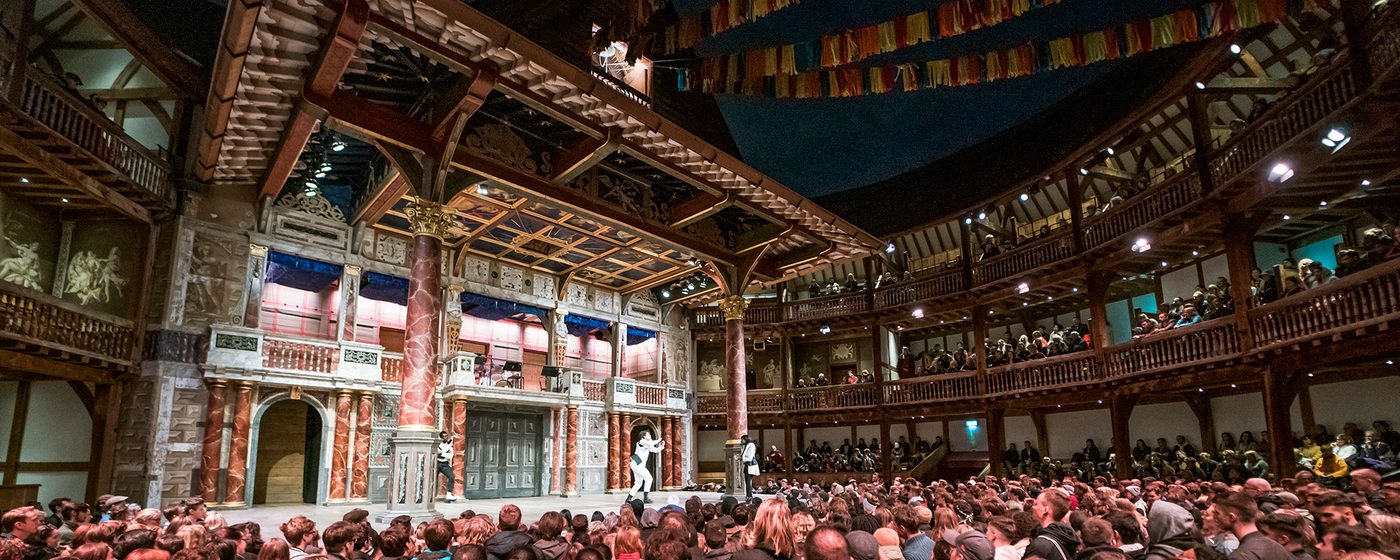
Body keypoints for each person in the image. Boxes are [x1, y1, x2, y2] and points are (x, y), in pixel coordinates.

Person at [1209, 492, 1291, 560]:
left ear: (1232, 517)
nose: (1214, 517)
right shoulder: (1276, 546)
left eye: (1217, 513)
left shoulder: (1241, 556)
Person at [628, 429, 665, 503]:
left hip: (638, 464)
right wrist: (658, 440)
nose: (650, 435)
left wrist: (661, 446)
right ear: (644, 436)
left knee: (638, 483)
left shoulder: (647, 444)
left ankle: (628, 499)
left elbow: (654, 450)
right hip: (637, 463)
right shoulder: (641, 441)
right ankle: (645, 498)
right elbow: (651, 443)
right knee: (649, 479)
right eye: (648, 434)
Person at [437, 431, 457, 503]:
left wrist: (442, 453)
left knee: (451, 477)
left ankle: (448, 494)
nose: (446, 437)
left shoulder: (449, 445)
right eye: (444, 436)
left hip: (444, 464)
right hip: (437, 463)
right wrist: (444, 453)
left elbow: (450, 456)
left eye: (447, 436)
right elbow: (436, 453)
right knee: (432, 479)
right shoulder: (438, 444)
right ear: (441, 437)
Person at [741, 434, 760, 500]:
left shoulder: (751, 445)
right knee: (748, 482)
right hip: (748, 465)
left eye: (742, 439)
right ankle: (749, 495)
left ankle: (749, 495)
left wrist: (742, 458)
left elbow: (750, 457)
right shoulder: (747, 445)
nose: (742, 441)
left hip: (750, 465)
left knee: (748, 481)